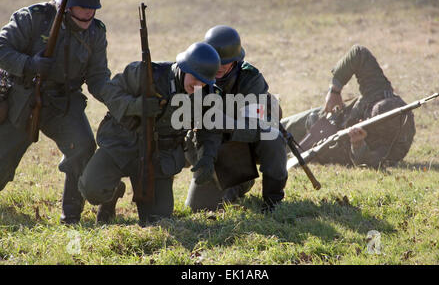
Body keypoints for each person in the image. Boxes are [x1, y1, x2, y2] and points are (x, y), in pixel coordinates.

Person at [0, 0, 111, 224]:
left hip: (64, 103)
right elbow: (1, 48)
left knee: (82, 146)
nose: (89, 13)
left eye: (93, 8)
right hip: (23, 100)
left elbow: (98, 77)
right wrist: (30, 64)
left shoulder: (96, 33)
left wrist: (117, 99)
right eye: (83, 7)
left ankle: (71, 216)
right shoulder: (34, 18)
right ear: (67, 6)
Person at [78, 42, 223, 226]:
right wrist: (138, 106)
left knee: (157, 221)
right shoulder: (147, 74)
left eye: (205, 82)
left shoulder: (207, 94)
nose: (199, 85)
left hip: (159, 158)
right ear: (183, 68)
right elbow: (109, 92)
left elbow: (210, 128)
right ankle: (111, 195)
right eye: (195, 78)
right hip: (122, 144)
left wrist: (208, 156)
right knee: (92, 188)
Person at [184, 25, 288, 213]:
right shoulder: (196, 77)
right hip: (213, 149)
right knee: (198, 208)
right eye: (215, 60)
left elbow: (256, 128)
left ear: (237, 61)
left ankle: (273, 201)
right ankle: (238, 184)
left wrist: (224, 122)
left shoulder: (250, 79)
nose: (220, 66)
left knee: (272, 136)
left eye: (227, 61)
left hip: (247, 144)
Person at [281, 44, 416, 168]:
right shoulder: (378, 89)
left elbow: (371, 164)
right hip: (323, 121)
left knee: (277, 156)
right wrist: (334, 91)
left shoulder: (394, 147)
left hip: (331, 150)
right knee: (270, 132)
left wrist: (358, 145)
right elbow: (359, 53)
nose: (362, 120)